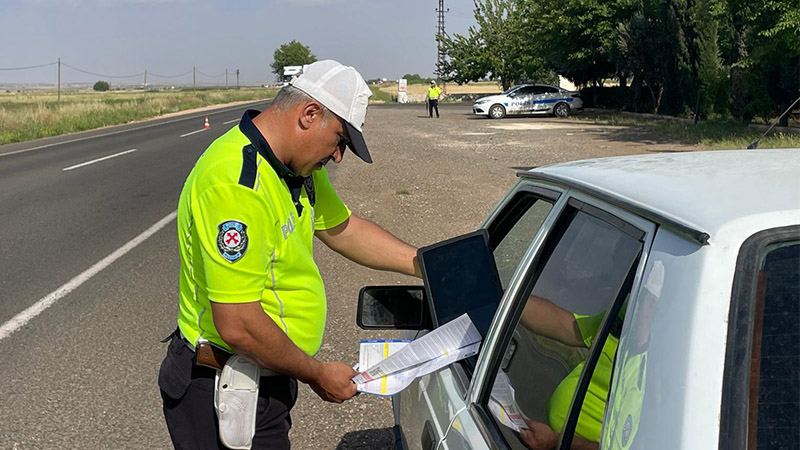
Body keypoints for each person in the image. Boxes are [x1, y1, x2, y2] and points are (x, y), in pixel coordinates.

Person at [157, 59, 420, 449]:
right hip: (223, 386)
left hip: (265, 373)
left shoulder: (296, 170)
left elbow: (342, 229)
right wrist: (315, 373)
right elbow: (238, 322)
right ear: (309, 114)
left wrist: (427, 265)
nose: (337, 157)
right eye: (340, 140)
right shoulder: (237, 185)